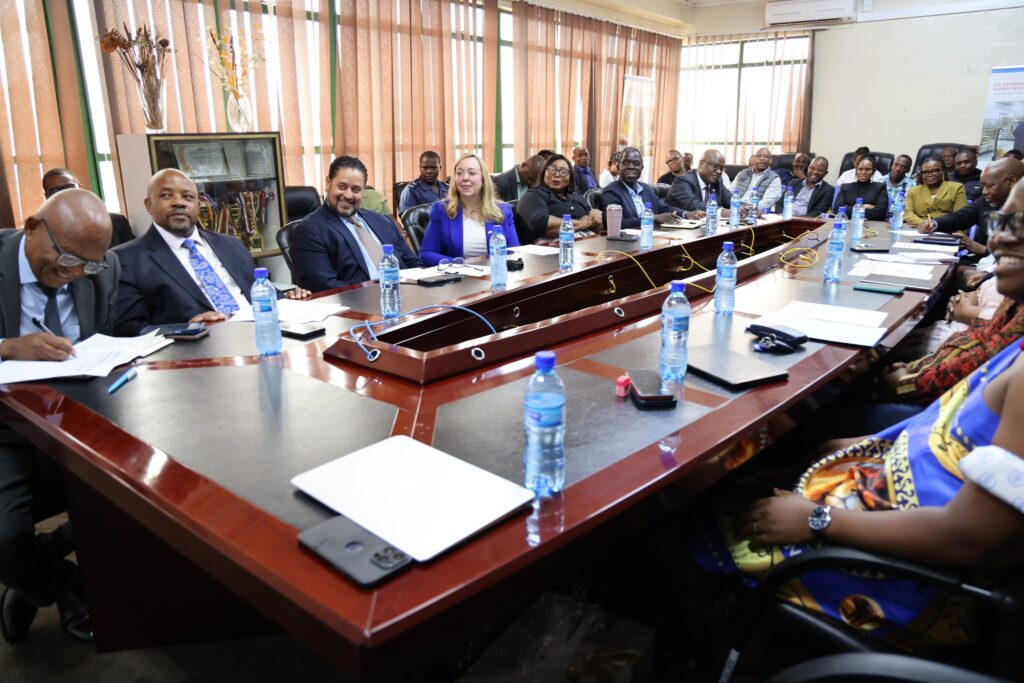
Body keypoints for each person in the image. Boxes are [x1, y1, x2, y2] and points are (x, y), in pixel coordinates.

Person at [677, 193, 1024, 647]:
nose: (997, 236)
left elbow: (971, 539)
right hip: (877, 498)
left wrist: (817, 520)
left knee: (684, 529)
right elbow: (947, 431)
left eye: (1018, 224)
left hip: (910, 581)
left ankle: (713, 650)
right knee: (748, 479)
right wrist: (861, 446)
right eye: (1003, 220)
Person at [0, 189, 121, 645]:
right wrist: (7, 347)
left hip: (80, 417)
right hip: (5, 427)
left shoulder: (100, 271)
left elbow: (106, 341)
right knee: (5, 539)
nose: (73, 273)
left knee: (151, 492)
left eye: (88, 264)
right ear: (31, 228)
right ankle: (61, 582)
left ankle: (36, 567)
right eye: (66, 257)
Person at [113, 169, 311, 335]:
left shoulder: (230, 244)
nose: (179, 202)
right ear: (149, 205)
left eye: (188, 197)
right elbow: (128, 330)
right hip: (198, 354)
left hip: (262, 335)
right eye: (166, 195)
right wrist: (188, 328)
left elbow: (262, 291)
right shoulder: (127, 260)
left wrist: (290, 297)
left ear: (198, 205)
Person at [290, 156, 421, 292]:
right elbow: (324, 287)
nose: (348, 195)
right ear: (328, 183)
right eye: (342, 187)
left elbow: (413, 264)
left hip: (406, 295)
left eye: (356, 189)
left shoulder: (382, 221)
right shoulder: (309, 230)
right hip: (360, 305)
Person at [418, 153, 518, 267]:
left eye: (472, 173)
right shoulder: (441, 210)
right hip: (459, 279)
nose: (465, 178)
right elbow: (426, 254)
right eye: (459, 173)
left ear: (483, 178)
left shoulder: (503, 210)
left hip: (496, 276)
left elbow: (514, 252)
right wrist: (461, 263)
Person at [918, 157, 1024, 245]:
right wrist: (934, 223)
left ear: (1011, 181)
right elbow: (960, 217)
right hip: (980, 261)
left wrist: (984, 254)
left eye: (990, 186)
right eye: (983, 186)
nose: (984, 192)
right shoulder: (986, 200)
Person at [516, 154, 603, 241]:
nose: (557, 175)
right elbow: (542, 225)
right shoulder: (533, 195)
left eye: (563, 171)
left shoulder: (577, 197)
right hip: (552, 249)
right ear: (543, 173)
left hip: (585, 245)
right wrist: (581, 223)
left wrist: (595, 215)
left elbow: (596, 224)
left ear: (570, 177)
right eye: (552, 170)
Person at [42, 168, 134, 248]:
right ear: (47, 196)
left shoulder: (115, 222)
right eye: (55, 190)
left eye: (70, 187)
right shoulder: (42, 233)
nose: (64, 193)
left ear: (80, 188)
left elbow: (131, 260)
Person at [600, 147, 683, 229]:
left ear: (641, 168)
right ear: (618, 168)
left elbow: (666, 209)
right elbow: (615, 224)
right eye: (626, 163)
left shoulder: (647, 189)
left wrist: (686, 214)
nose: (631, 167)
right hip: (628, 241)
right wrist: (651, 218)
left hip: (654, 237)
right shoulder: (612, 191)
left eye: (636, 163)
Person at [666, 149, 733, 216]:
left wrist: (741, 208)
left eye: (722, 169)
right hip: (678, 224)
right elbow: (694, 205)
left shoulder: (717, 182)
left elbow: (732, 201)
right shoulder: (683, 181)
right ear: (701, 164)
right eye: (715, 166)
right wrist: (721, 212)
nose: (719, 172)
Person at [902, 156, 966, 226]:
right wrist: (925, 224)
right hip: (919, 227)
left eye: (934, 171)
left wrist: (935, 225)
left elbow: (960, 217)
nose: (929, 175)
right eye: (925, 172)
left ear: (943, 171)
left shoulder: (957, 188)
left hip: (946, 228)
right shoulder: (913, 191)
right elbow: (908, 214)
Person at [832, 156, 889, 220]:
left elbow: (880, 213)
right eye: (860, 169)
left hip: (872, 225)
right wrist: (865, 207)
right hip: (848, 224)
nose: (863, 172)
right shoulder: (845, 187)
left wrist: (848, 208)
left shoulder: (881, 187)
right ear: (856, 170)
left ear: (873, 171)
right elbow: (837, 210)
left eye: (868, 169)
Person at [731, 147, 782, 213]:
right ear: (754, 159)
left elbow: (767, 202)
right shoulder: (742, 173)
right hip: (735, 208)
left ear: (771, 160)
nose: (762, 158)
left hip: (754, 213)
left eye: (765, 156)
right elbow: (731, 191)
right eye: (759, 156)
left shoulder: (775, 179)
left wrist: (748, 208)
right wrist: (735, 206)